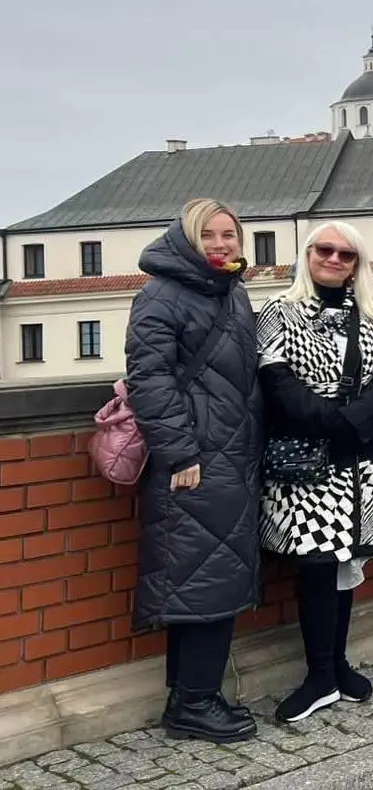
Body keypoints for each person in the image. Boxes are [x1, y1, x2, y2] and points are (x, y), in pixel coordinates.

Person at [125, 199, 263, 743]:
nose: (223, 244)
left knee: (204, 578)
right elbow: (150, 380)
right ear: (186, 239)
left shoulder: (229, 290)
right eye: (209, 235)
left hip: (230, 456)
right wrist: (180, 454)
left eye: (230, 234)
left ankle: (191, 695)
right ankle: (194, 703)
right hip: (197, 462)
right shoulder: (161, 295)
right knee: (205, 580)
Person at [258, 223, 373, 723]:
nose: (335, 259)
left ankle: (338, 663)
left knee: (346, 566)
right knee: (317, 565)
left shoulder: (370, 313)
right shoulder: (280, 310)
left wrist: (352, 423)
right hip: (308, 463)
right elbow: (277, 381)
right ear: (307, 254)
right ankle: (318, 673)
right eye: (326, 250)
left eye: (347, 254)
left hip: (362, 462)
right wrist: (335, 424)